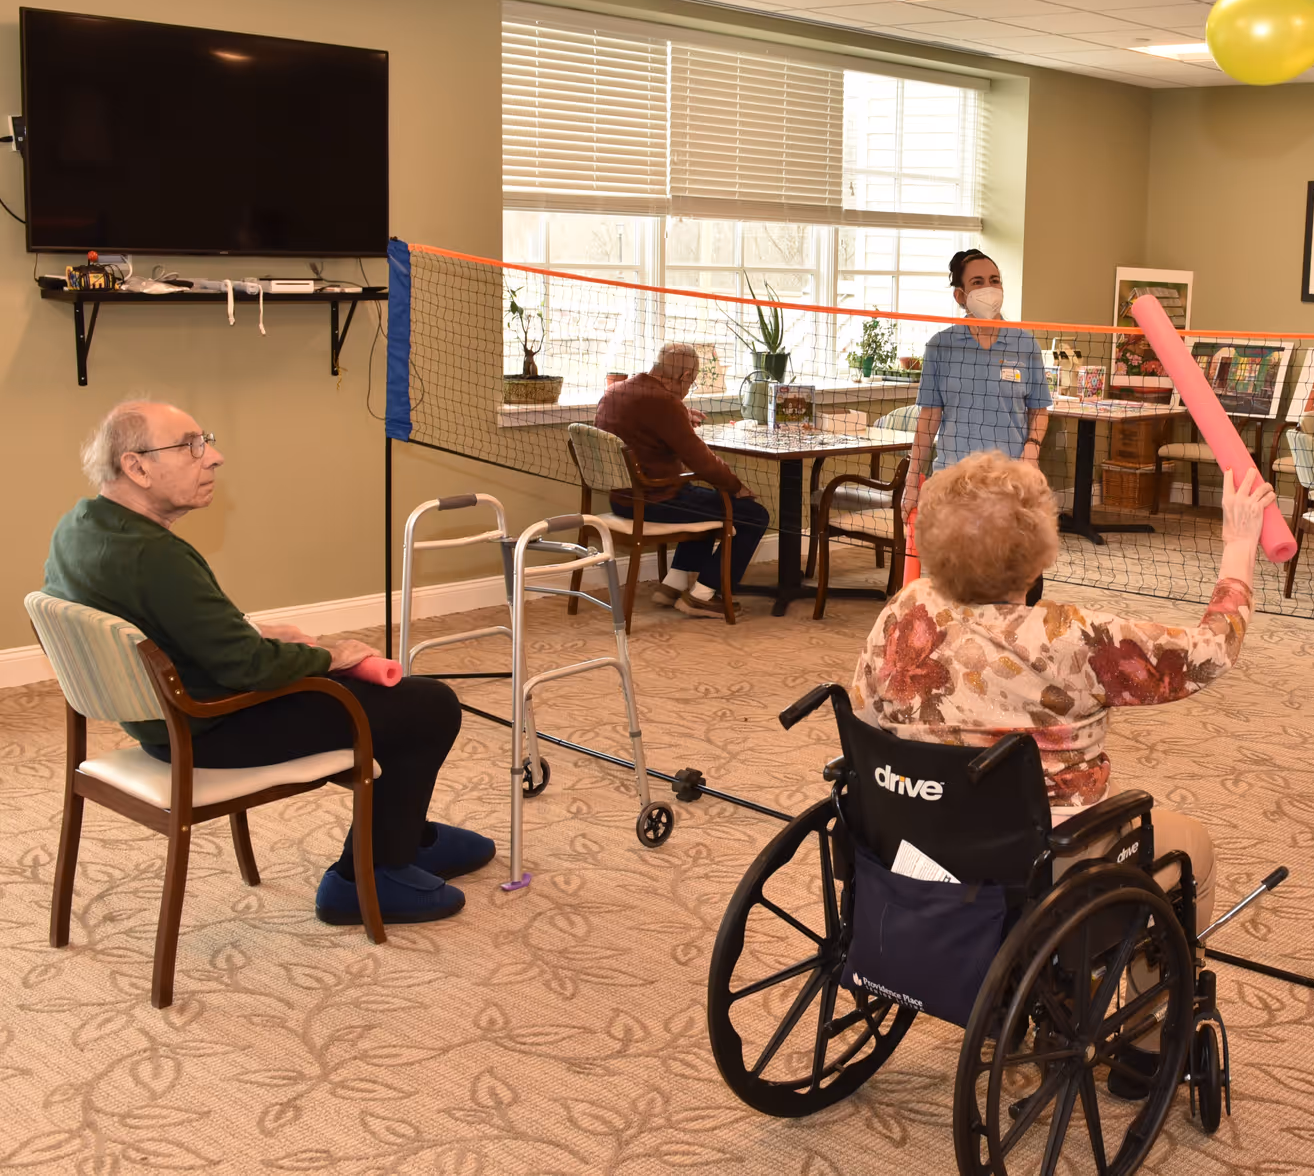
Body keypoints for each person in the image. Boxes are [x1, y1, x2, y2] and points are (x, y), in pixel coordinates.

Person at [852, 450, 1274, 1088]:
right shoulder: (1071, 636)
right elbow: (1209, 653)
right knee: (1191, 848)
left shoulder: (903, 611)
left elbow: (866, 716)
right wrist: (1239, 547)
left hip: (914, 843)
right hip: (1044, 865)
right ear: (1039, 551)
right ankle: (1146, 1045)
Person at [43, 402, 490, 925]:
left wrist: (251, 630)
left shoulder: (81, 526)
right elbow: (250, 668)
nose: (214, 457)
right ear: (136, 467)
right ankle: (366, 877)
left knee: (394, 707)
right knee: (426, 705)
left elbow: (168, 622)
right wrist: (331, 656)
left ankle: (403, 835)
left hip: (158, 720)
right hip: (210, 727)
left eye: (205, 441)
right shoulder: (156, 557)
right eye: (190, 446)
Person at [905, 250, 1053, 605]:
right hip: (954, 484)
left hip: (1009, 484)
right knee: (957, 589)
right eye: (978, 282)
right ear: (961, 295)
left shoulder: (1024, 343)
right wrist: (912, 481)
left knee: (1017, 585)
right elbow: (929, 418)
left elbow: (1039, 410)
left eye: (994, 280)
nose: (989, 288)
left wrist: (1031, 452)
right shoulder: (940, 346)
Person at [596, 343, 770, 619]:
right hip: (653, 501)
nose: (690, 387)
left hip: (623, 499)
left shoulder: (617, 390)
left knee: (704, 500)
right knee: (753, 515)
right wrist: (737, 487)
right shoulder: (664, 402)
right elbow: (701, 460)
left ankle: (672, 585)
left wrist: (680, 416)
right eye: (692, 381)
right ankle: (703, 595)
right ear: (685, 375)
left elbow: (643, 421)